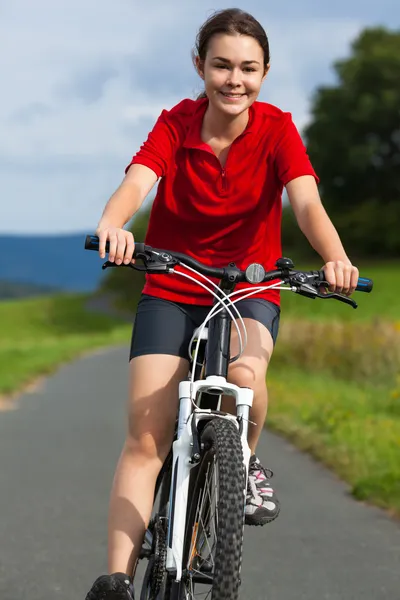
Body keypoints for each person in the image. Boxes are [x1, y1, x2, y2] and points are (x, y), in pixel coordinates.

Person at [85, 8, 359, 600]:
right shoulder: (175, 123)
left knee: (244, 373)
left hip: (250, 288)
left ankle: (242, 464)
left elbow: (307, 204)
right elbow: (138, 180)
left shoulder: (278, 128)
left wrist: (335, 258)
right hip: (174, 286)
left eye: (249, 68)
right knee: (148, 436)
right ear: (200, 67)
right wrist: (114, 224)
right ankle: (116, 578)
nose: (235, 79)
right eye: (222, 66)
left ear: (265, 73)